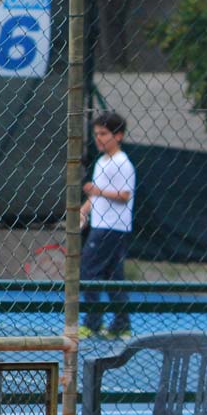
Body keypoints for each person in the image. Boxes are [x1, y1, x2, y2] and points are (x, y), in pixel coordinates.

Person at [78, 111, 135, 339]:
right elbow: (95, 195)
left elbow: (124, 195)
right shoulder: (102, 162)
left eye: (103, 134)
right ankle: (122, 324)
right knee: (113, 277)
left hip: (111, 228)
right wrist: (82, 212)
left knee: (87, 270)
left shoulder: (122, 163)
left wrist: (97, 191)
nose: (98, 138)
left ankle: (92, 323)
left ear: (118, 136)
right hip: (102, 226)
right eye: (96, 134)